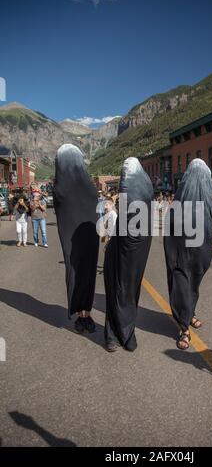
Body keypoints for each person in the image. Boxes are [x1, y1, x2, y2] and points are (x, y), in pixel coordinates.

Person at [103, 157, 153, 353]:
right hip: (120, 250)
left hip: (136, 250)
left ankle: (127, 333)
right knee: (117, 290)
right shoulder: (141, 189)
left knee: (130, 291)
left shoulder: (143, 193)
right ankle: (113, 335)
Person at [164, 159, 212, 351]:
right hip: (182, 253)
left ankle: (190, 313)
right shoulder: (178, 205)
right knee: (183, 285)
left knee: (193, 285)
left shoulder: (205, 203)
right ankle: (184, 328)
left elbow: (209, 229)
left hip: (200, 252)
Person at [53, 144, 99, 334]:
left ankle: (82, 315)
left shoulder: (60, 187)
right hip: (90, 237)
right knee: (88, 275)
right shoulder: (89, 185)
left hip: (72, 241)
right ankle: (86, 314)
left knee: (75, 274)